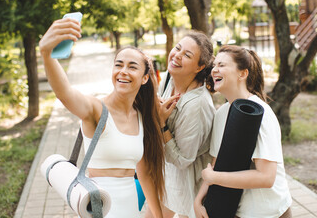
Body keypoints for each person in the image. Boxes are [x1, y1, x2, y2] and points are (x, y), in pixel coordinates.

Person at [39, 17, 165, 218]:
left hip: (131, 210)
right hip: (101, 210)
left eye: (132, 67)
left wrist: (158, 216)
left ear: (145, 78)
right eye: (118, 65)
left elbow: (145, 175)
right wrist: (47, 54)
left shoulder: (142, 117)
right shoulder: (97, 110)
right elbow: (66, 93)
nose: (123, 71)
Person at [194, 45, 292, 218]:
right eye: (214, 65)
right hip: (239, 212)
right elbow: (217, 164)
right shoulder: (221, 114)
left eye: (222, 65)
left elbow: (266, 178)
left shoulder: (262, 113)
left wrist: (213, 178)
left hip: (270, 213)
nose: (214, 70)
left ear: (242, 73)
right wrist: (199, 198)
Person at [146, 30, 216, 218]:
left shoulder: (197, 105)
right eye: (178, 48)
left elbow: (183, 160)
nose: (177, 55)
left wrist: (162, 124)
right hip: (166, 174)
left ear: (200, 67)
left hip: (188, 184)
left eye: (187, 55)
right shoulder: (171, 78)